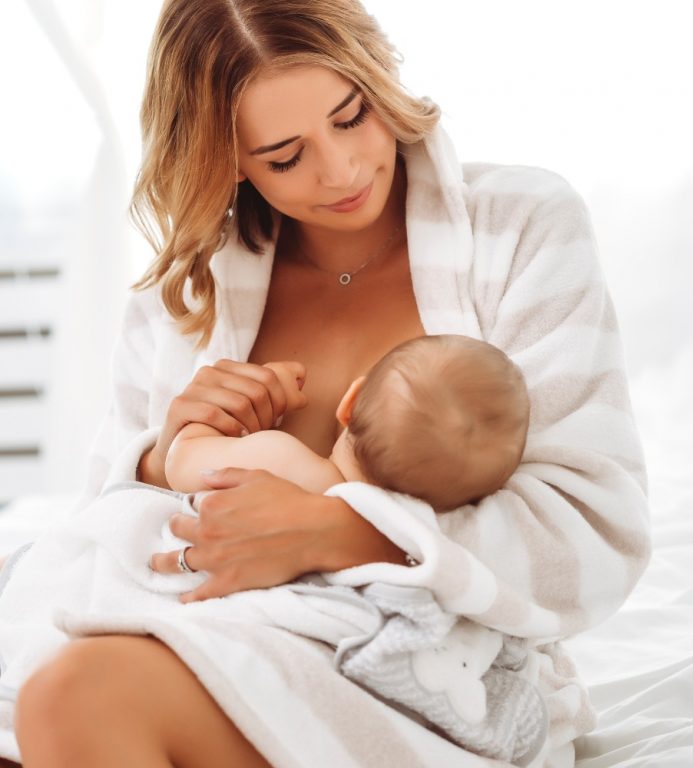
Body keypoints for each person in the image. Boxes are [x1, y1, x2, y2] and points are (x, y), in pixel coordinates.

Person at [8, 1, 651, 767]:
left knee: (73, 697)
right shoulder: (183, 295)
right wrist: (157, 458)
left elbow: (595, 534)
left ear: (378, 78)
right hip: (212, 645)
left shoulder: (520, 226)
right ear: (226, 159)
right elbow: (102, 543)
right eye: (285, 157)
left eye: (352, 116)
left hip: (419, 682)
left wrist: (339, 532)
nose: (341, 170)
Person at [164, 334, 531, 512]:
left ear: (350, 402)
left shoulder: (283, 461)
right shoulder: (404, 532)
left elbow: (179, 463)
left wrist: (244, 405)